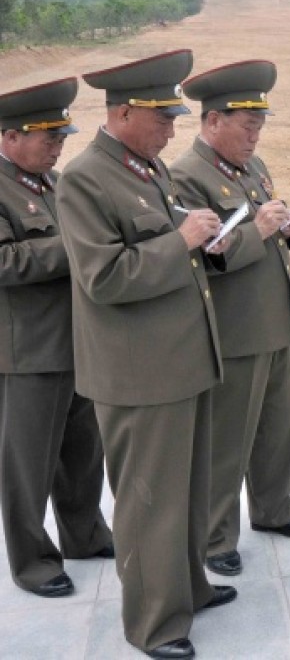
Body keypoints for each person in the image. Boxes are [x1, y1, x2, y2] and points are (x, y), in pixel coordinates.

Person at [56, 50, 236, 660]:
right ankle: (154, 624)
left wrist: (204, 242)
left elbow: (169, 248)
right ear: (124, 111)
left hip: (181, 358)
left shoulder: (147, 169)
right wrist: (179, 242)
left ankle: (189, 589)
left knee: (187, 489)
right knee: (148, 501)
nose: (172, 128)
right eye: (161, 117)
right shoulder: (86, 178)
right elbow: (102, 277)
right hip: (139, 371)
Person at [170, 59, 290, 579]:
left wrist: (288, 226)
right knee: (228, 440)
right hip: (234, 330)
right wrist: (259, 228)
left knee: (279, 429)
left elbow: (264, 232)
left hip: (276, 319)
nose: (256, 134)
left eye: (260, 124)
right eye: (246, 124)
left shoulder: (251, 167)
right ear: (212, 123)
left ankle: (275, 510)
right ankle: (215, 538)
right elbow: (213, 253)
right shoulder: (187, 176)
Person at [0, 77, 114, 599]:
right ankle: (32, 562)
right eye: (46, 137)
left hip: (77, 342)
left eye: (61, 137)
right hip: (28, 353)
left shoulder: (53, 183)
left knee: (83, 453)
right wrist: (76, 245)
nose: (57, 146)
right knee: (28, 466)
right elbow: (6, 262)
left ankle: (84, 534)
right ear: (9, 137)